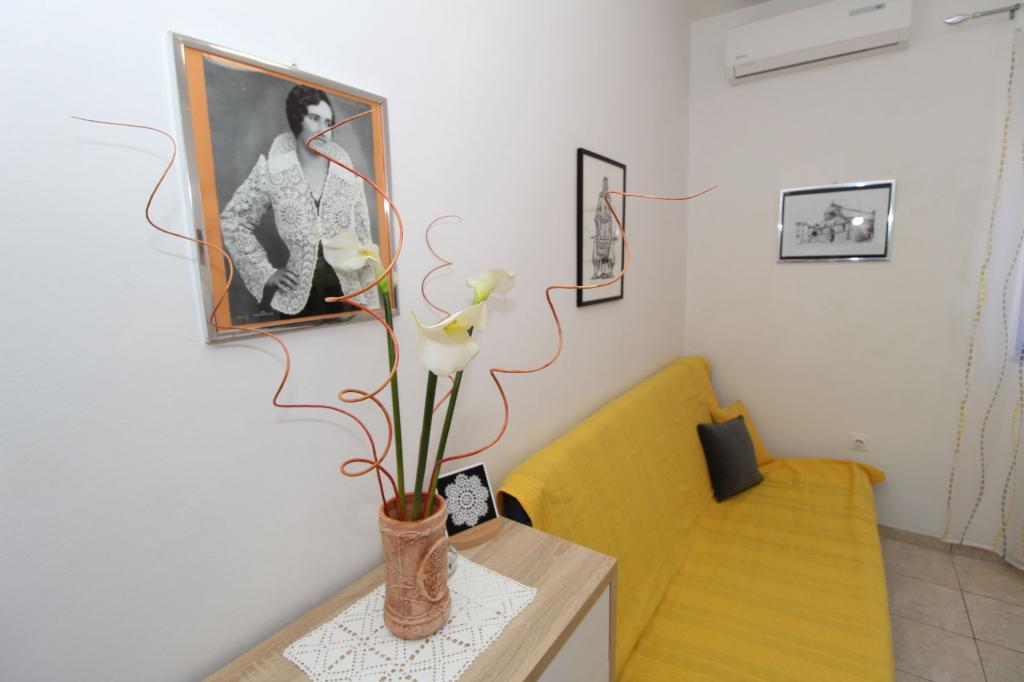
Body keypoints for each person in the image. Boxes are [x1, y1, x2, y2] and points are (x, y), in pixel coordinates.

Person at [220, 84, 380, 318]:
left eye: (328, 123)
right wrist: (266, 272)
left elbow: (364, 241)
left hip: (347, 299)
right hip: (298, 300)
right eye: (314, 119)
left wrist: (373, 300)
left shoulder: (347, 178)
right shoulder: (274, 172)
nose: (323, 130)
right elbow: (233, 221)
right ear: (297, 120)